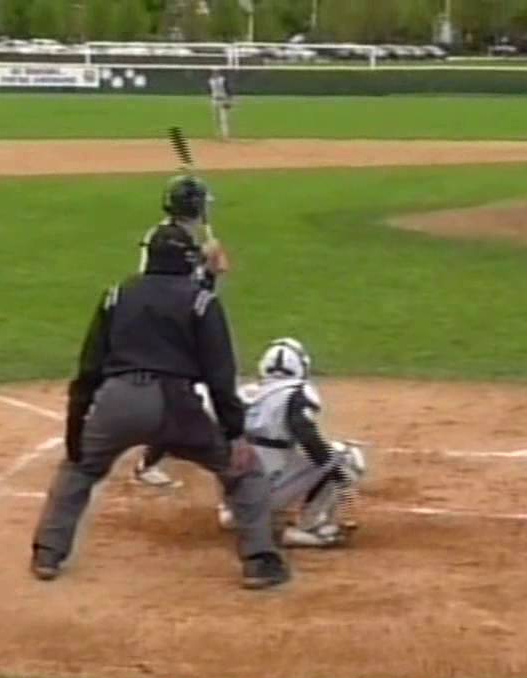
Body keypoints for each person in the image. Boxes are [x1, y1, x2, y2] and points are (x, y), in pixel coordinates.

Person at [29, 175, 290, 590]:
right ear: (190, 261)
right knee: (243, 473)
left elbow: (88, 369)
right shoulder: (202, 300)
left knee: (79, 470)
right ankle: (260, 560)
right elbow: (219, 374)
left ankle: (47, 554)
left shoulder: (117, 295)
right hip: (175, 406)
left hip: (115, 403)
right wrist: (235, 433)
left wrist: (77, 428)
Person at [215, 338, 369, 549]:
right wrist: (338, 473)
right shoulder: (298, 391)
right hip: (265, 492)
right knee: (347, 457)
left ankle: (232, 513)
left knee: (237, 448)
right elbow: (305, 433)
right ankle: (310, 528)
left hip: (236, 492)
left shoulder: (243, 393)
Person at [131, 176, 232, 491]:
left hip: (176, 322)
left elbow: (197, 292)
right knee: (179, 391)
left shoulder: (175, 235)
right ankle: (149, 459)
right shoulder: (168, 239)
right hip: (165, 325)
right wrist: (207, 262)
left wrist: (210, 268)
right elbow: (183, 291)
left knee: (179, 390)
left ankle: (153, 453)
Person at [208, 68, 233, 141]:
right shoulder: (210, 81)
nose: (214, 73)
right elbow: (210, 91)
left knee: (224, 119)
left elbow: (228, 90)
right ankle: (217, 135)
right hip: (214, 100)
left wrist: (229, 100)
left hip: (223, 100)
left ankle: (225, 135)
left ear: (219, 73)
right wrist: (211, 97)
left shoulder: (223, 80)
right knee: (216, 119)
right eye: (213, 72)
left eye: (216, 72)